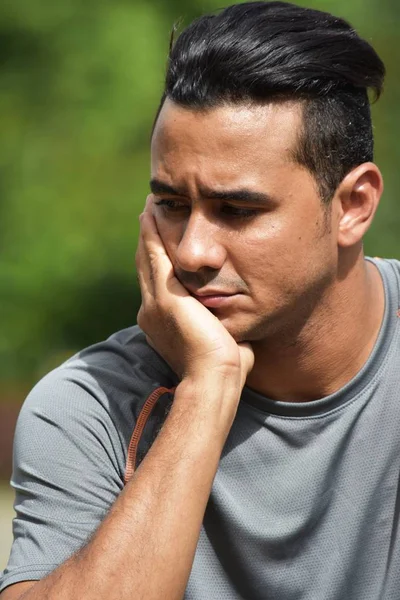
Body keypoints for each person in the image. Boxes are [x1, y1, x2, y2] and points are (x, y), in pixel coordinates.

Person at [1, 1, 399, 598]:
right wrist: (207, 389)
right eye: (171, 204)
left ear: (353, 206)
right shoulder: (88, 407)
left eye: (237, 211)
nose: (192, 253)